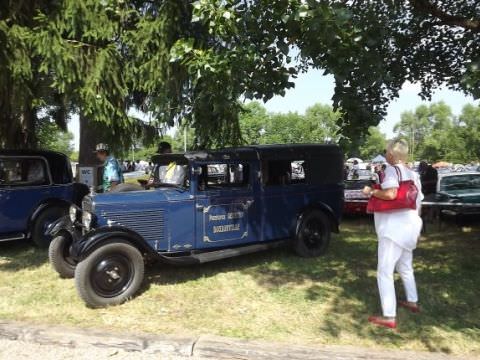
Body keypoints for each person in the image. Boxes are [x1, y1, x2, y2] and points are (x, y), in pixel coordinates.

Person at [362, 139, 424, 329]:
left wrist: (371, 191)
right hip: (410, 226)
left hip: (393, 229)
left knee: (384, 271)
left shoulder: (391, 170)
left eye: (387, 150)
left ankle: (389, 316)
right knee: (405, 266)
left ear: (391, 153)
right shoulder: (414, 174)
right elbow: (418, 202)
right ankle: (412, 301)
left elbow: (390, 194)